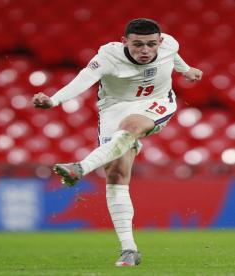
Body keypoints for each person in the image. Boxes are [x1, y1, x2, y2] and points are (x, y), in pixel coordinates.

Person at [32, 18, 203, 266]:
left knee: (132, 126)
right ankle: (129, 250)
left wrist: (185, 70)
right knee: (116, 175)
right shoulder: (108, 57)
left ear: (160, 42)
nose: (145, 50)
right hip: (113, 108)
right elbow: (82, 80)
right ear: (124, 41)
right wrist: (54, 100)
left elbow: (172, 56)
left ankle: (80, 167)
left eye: (151, 45)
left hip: (156, 103)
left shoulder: (169, 45)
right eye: (138, 45)